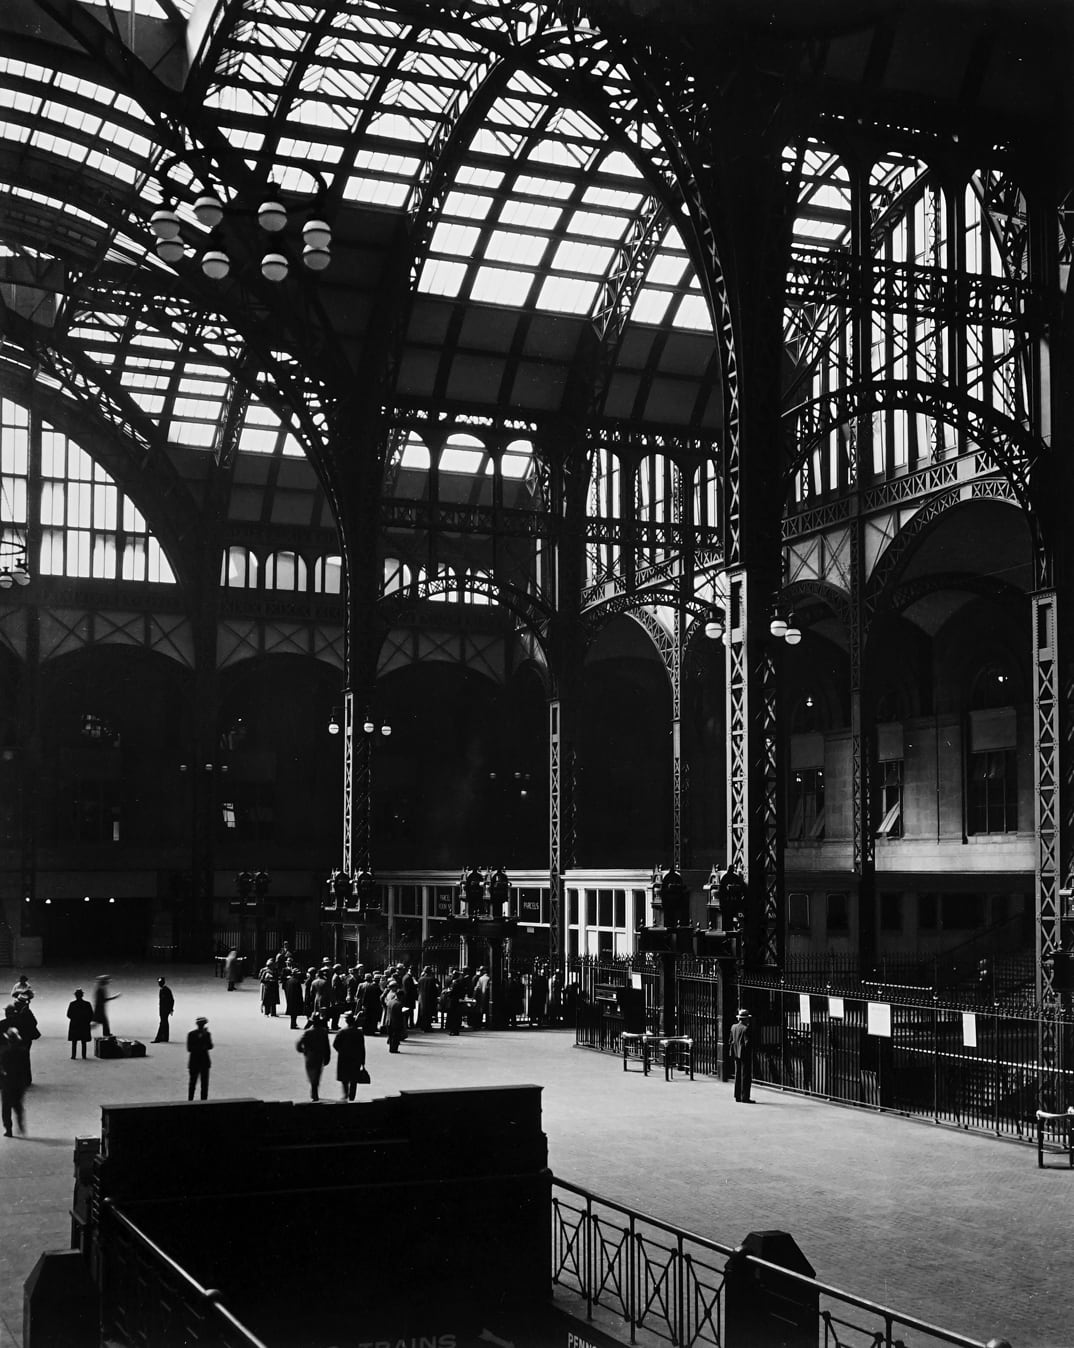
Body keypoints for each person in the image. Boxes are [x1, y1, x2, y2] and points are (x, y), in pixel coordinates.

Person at [0, 1027, 29, 1137]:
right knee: (18, 1106)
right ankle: (20, 1124)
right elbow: (26, 1068)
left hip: (7, 1083)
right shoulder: (23, 1052)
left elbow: (2, 1068)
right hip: (19, 1082)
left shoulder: (4, 1053)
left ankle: (8, 1129)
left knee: (6, 1108)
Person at [296, 1013, 331, 1100]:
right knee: (317, 1073)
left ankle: (313, 1088)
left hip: (310, 1056)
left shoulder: (308, 1032)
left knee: (311, 1073)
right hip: (320, 1056)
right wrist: (327, 1057)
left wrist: (303, 1051)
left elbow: (299, 1044)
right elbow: (327, 1046)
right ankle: (314, 1089)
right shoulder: (323, 1032)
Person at [333, 1012, 367, 1101]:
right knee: (354, 1079)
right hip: (355, 1058)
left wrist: (341, 1051)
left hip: (344, 1058)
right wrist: (363, 1061)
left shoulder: (342, 1032)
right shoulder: (359, 1033)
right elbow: (362, 1048)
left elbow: (335, 1044)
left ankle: (345, 1094)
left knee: (344, 1077)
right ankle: (352, 1096)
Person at [729, 1008, 753, 1103]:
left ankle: (737, 1095)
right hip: (744, 1054)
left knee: (738, 1074)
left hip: (735, 1053)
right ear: (746, 1019)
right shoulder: (745, 1029)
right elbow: (747, 1043)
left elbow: (730, 1040)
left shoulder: (733, 1027)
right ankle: (745, 1096)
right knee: (745, 1076)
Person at [186, 1016, 213, 1101]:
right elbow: (210, 1046)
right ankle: (203, 1101)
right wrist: (203, 1040)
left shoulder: (191, 1034)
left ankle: (190, 1100)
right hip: (204, 1061)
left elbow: (189, 1048)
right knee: (204, 1084)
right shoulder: (207, 1034)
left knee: (192, 1083)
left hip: (194, 1061)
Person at [66, 988, 94, 1060]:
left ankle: (73, 1055)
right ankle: (84, 1056)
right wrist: (86, 1021)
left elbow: (68, 1014)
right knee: (83, 1041)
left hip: (74, 1024)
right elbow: (91, 1015)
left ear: (75, 996)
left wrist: (75, 1018)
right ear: (82, 995)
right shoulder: (87, 1004)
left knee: (74, 1041)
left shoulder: (72, 1004)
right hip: (84, 1025)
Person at [383, 980, 406, 1053]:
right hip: (395, 1022)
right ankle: (394, 1049)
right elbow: (399, 1015)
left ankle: (391, 1048)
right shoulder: (399, 1004)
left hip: (388, 1020)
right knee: (395, 1036)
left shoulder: (390, 1001)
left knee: (391, 1035)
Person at [416, 966, 440, 1032]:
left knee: (423, 1013)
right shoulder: (431, 979)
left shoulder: (420, 979)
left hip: (422, 998)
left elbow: (418, 989)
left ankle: (423, 1026)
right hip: (429, 998)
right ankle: (428, 1027)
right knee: (429, 1013)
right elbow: (434, 990)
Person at [153, 977, 175, 1043]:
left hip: (165, 1010)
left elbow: (172, 1000)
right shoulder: (162, 989)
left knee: (162, 1023)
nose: (159, 984)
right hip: (163, 1010)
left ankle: (158, 1038)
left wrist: (171, 1009)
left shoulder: (166, 990)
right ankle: (165, 1037)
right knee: (165, 1023)